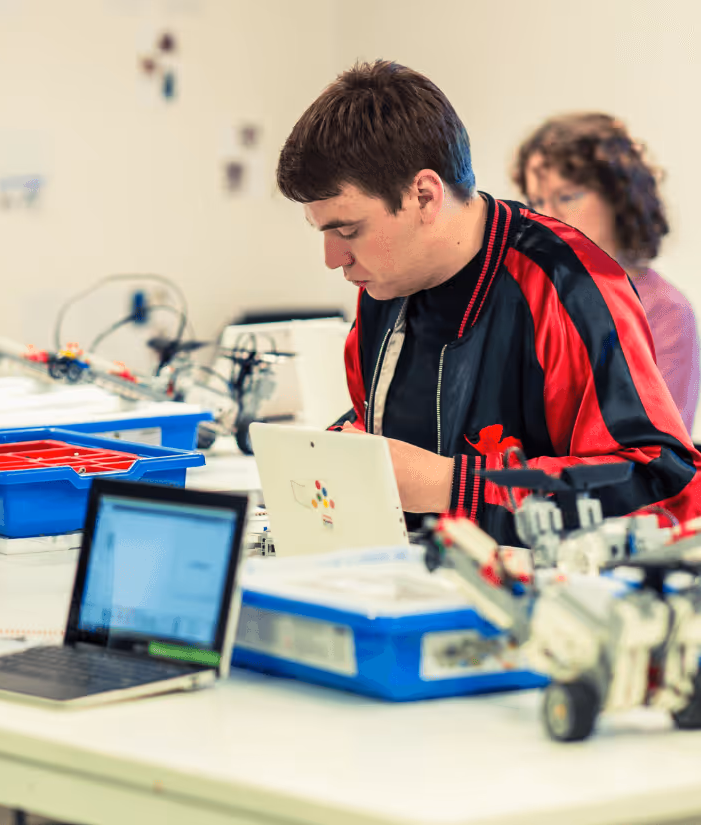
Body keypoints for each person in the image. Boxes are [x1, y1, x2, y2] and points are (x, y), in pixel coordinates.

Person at [275, 61, 701, 545]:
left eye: (349, 230)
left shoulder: (569, 286)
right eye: (325, 232)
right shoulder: (383, 288)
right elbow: (384, 434)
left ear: (424, 195)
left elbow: (659, 485)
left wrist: (451, 486)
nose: (335, 259)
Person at [514, 113, 700, 433]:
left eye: (567, 197)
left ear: (617, 196)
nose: (547, 216)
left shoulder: (666, 312)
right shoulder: (529, 299)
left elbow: (654, 456)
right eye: (537, 201)